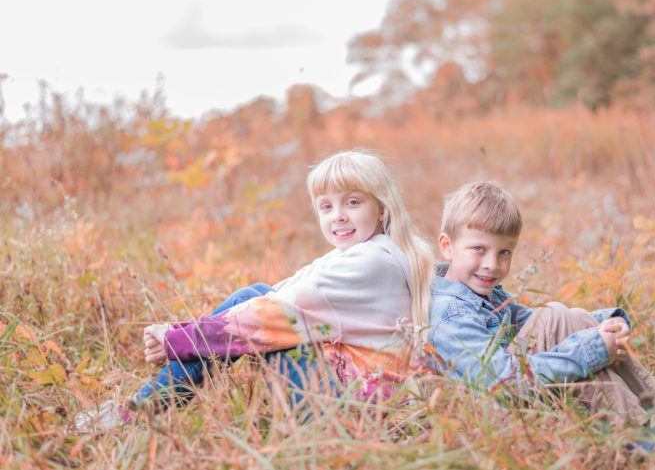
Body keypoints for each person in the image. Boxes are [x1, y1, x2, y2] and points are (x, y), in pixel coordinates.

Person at [75, 149, 433, 430]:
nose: (337, 215)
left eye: (352, 202)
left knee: (255, 308)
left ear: (382, 207)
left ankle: (138, 412)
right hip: (363, 400)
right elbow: (285, 289)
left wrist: (175, 340)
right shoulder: (378, 251)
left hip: (351, 415)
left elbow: (265, 316)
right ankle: (141, 408)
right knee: (258, 294)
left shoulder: (369, 262)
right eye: (326, 206)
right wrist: (185, 334)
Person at [427, 181, 655, 427]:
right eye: (479, 249)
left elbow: (535, 323)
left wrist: (606, 324)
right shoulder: (449, 313)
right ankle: (642, 433)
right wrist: (592, 349)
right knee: (558, 319)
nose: (492, 264)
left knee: (575, 322)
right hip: (483, 414)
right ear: (447, 246)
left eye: (504, 252)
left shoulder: (483, 295)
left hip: (513, 390)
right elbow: (500, 381)